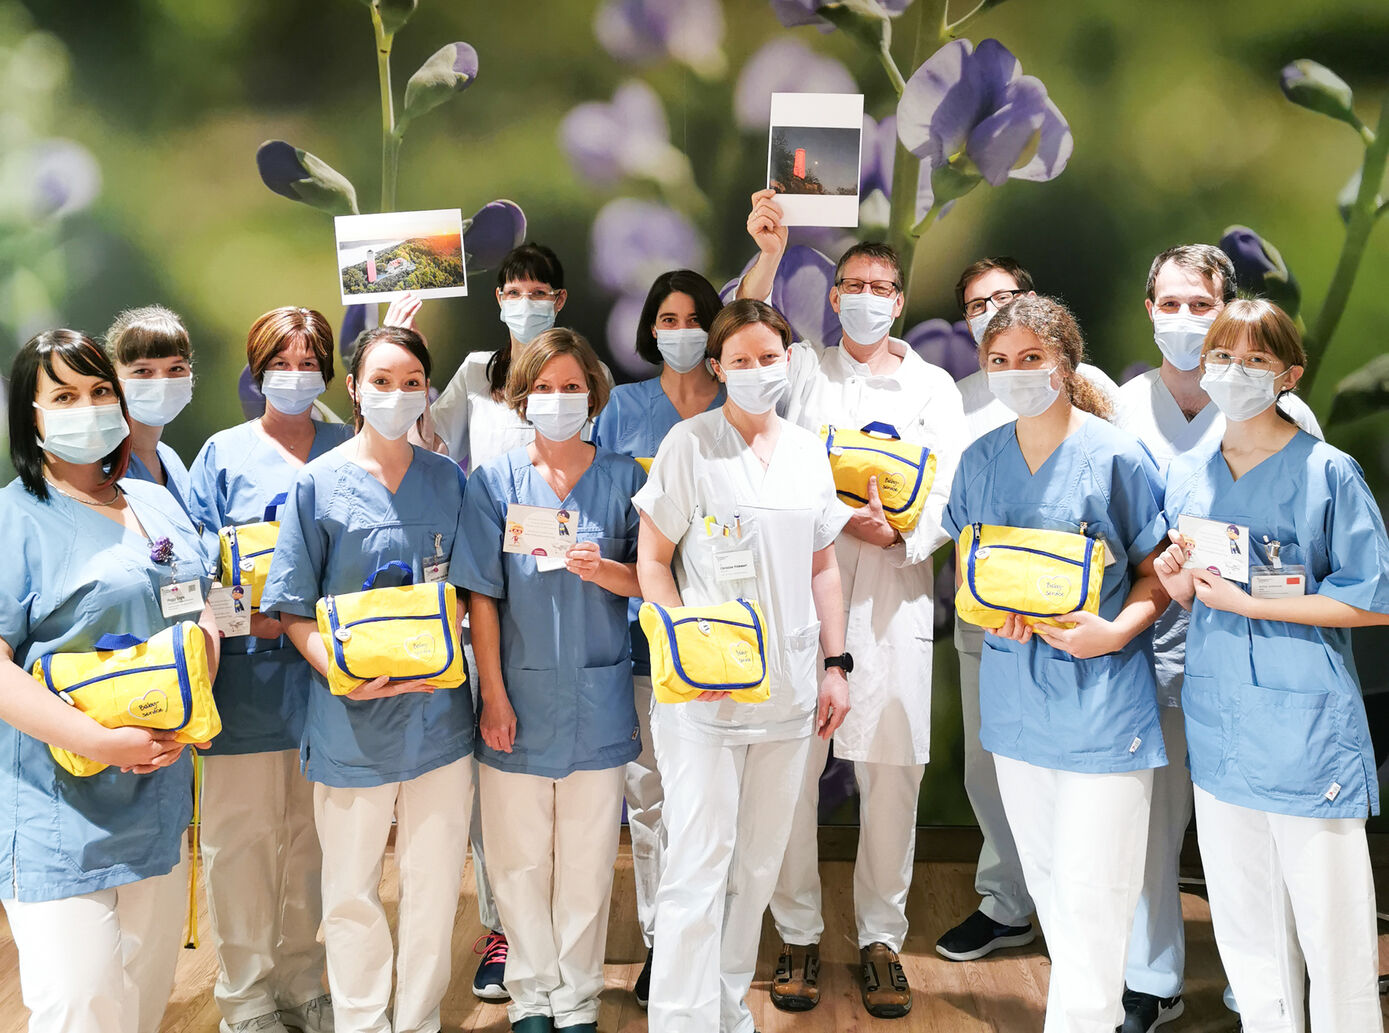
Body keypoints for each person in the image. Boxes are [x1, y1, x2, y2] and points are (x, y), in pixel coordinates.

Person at [737, 209, 966, 1017]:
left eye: (881, 288)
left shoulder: (933, 385)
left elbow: (947, 489)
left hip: (896, 598)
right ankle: (796, 933)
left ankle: (880, 940)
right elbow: (747, 326)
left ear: (899, 301)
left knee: (891, 778)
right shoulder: (802, 372)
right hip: (806, 597)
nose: (866, 299)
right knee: (790, 779)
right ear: (832, 300)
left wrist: (900, 530)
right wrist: (768, 253)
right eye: (853, 287)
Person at [1154, 299, 1388, 1033]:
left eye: (1254, 360)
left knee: (1332, 930)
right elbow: (1200, 596)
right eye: (1221, 356)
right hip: (1222, 720)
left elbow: (1370, 599)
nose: (1232, 371)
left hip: (1304, 726)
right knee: (1246, 927)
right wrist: (1175, 584)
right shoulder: (1189, 472)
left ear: (1288, 373)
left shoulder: (1327, 471)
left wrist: (1256, 605)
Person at [942, 294, 1170, 1031]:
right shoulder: (979, 459)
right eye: (998, 361)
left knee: (1095, 892)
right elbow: (964, 571)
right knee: (1047, 884)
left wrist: (1114, 631)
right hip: (1016, 700)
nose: (1012, 373)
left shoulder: (1115, 456)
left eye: (1029, 359)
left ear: (1064, 363)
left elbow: (1158, 573)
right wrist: (987, 607)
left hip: (1101, 703)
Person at [1113, 245, 1322, 1033]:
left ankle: (1259, 991)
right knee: (1148, 824)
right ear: (1147, 311)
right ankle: (1150, 979)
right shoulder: (1120, 405)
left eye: (1200, 304)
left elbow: (1308, 538)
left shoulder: (1284, 410)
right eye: (1168, 304)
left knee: (1251, 828)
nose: (1184, 320)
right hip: (1149, 642)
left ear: (1227, 307)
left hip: (1247, 649)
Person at [634, 299, 852, 1033]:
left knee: (756, 866)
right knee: (699, 860)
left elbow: (823, 568)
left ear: (787, 358)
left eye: (770, 356)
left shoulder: (806, 449)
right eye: (741, 359)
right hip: (704, 696)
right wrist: (683, 644)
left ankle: (725, 1011)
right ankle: (677, 1019)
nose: (757, 371)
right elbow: (653, 562)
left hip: (789, 692)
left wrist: (835, 664)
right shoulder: (688, 446)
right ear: (717, 366)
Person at [0, 329, 219, 1033]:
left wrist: (186, 710)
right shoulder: (16, 518)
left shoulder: (151, 502)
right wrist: (97, 739)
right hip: (58, 804)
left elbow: (200, 610)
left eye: (99, 391)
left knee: (140, 993)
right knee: (79, 1001)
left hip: (155, 787)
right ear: (30, 416)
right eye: (63, 395)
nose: (87, 407)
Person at [260, 326, 475, 1033]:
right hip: (350, 720)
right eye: (380, 380)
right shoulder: (317, 484)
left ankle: (415, 1021)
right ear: (352, 388)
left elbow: (475, 593)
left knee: (434, 884)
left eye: (411, 380)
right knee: (349, 888)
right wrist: (343, 674)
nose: (396, 393)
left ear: (427, 390)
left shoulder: (448, 480)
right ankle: (359, 1021)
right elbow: (290, 608)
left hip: (439, 721)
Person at [416, 246, 606, 997]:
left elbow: (598, 463)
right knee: (497, 789)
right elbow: (430, 441)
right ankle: (504, 932)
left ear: (558, 299)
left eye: (538, 290)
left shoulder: (585, 378)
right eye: (512, 290)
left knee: (574, 808)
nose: (524, 301)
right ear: (496, 298)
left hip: (565, 592)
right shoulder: (474, 373)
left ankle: (564, 950)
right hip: (486, 585)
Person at [456, 328, 645, 1033]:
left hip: (597, 696)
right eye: (544, 387)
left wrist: (609, 570)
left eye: (571, 387)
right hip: (518, 697)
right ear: (519, 396)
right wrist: (494, 695)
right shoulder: (495, 482)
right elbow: (482, 594)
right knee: (516, 858)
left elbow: (657, 581)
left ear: (592, 393)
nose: (558, 399)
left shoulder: (626, 478)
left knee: (590, 860)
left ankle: (577, 998)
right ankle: (531, 995)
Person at [935, 256, 1123, 964]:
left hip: (1078, 622)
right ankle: (1007, 904)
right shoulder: (959, 401)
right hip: (993, 616)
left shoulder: (1089, 392)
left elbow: (1126, 499)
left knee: (1075, 776)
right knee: (990, 767)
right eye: (976, 307)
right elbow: (948, 512)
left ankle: (1092, 927)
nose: (991, 310)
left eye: (1006, 297)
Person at [188, 307, 351, 1033]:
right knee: (241, 841)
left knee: (313, 841)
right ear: (256, 371)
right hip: (246, 685)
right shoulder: (222, 456)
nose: (295, 373)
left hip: (328, 684)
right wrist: (249, 618)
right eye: (279, 362)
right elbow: (191, 574)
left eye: (309, 358)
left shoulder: (350, 446)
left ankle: (302, 981)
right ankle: (245, 994)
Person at [590, 268, 725, 1006]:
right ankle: (658, 942)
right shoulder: (623, 409)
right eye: (666, 317)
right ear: (648, 329)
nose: (680, 329)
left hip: (724, 632)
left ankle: (711, 936)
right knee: (647, 797)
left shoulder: (739, 403)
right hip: (641, 631)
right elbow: (607, 511)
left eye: (694, 317)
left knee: (707, 798)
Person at [104, 305, 200, 517]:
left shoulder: (169, 460)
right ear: (113, 376)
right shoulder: (103, 465)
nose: (162, 382)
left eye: (176, 369)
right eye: (142, 371)